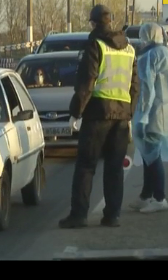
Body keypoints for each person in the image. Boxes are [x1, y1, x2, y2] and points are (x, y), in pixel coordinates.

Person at [58, 4, 139, 228]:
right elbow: (134, 86)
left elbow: (87, 82)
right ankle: (112, 216)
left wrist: (76, 112)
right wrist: (129, 113)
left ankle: (79, 215)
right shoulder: (129, 48)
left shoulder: (96, 45)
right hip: (121, 117)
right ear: (110, 22)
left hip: (98, 115)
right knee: (114, 168)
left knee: (86, 166)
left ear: (94, 23)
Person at [129, 23, 168, 213]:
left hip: (152, 113)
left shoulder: (148, 57)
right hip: (164, 112)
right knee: (149, 154)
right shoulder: (166, 53)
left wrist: (142, 117)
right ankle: (146, 194)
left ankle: (159, 197)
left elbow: (147, 90)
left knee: (151, 154)